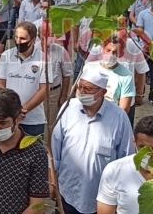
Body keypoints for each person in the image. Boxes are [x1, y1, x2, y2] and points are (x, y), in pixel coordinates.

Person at [52, 66, 134, 214]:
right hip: (67, 193)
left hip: (103, 200)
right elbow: (55, 149)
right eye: (80, 87)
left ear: (103, 92)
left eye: (88, 89)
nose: (82, 92)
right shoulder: (68, 109)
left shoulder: (119, 117)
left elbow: (126, 157)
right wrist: (53, 183)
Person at [0, 22, 48, 137]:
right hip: (8, 118)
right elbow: (0, 84)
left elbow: (44, 90)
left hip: (33, 121)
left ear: (33, 40)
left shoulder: (44, 58)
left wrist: (23, 110)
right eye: (16, 37)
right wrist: (12, 109)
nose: (18, 41)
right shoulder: (6, 55)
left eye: (23, 38)